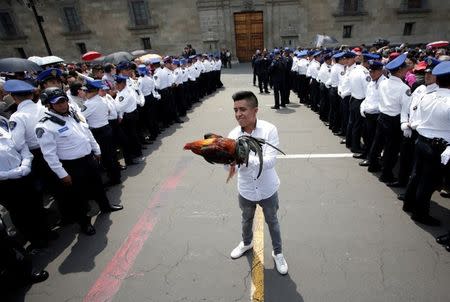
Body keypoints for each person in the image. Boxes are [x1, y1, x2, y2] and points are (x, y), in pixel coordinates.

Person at [36, 88, 123, 235]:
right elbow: (49, 155)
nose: (63, 105)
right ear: (49, 106)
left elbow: (86, 132)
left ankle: (105, 206)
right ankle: (84, 223)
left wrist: (97, 150)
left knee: (97, 185)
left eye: (63, 101)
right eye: (57, 103)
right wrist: (62, 174)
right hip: (71, 165)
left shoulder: (73, 114)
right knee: (78, 197)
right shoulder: (45, 126)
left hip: (88, 159)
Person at [227, 91, 288, 275]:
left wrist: (243, 157)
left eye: (243, 109)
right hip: (246, 189)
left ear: (255, 110)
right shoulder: (232, 135)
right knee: (246, 219)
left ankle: (278, 253)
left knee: (273, 222)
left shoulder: (269, 129)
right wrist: (226, 160)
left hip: (268, 188)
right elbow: (231, 169)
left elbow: (270, 162)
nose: (238, 114)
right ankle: (246, 243)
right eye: (236, 110)